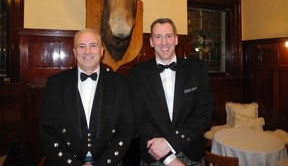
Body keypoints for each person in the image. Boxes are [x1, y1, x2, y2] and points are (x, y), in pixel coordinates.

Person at [39, 28, 133, 166]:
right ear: (74, 52)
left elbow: (126, 129)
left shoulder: (120, 84)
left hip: (110, 162)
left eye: (93, 45)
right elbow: (47, 131)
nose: (87, 51)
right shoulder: (55, 84)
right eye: (81, 46)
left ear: (102, 51)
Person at [129, 18, 214, 166]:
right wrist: (167, 157)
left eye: (168, 36)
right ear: (150, 41)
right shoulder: (137, 74)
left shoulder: (197, 69)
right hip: (154, 153)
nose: (164, 42)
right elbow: (138, 119)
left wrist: (170, 143)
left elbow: (204, 113)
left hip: (190, 150)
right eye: (158, 37)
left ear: (176, 39)